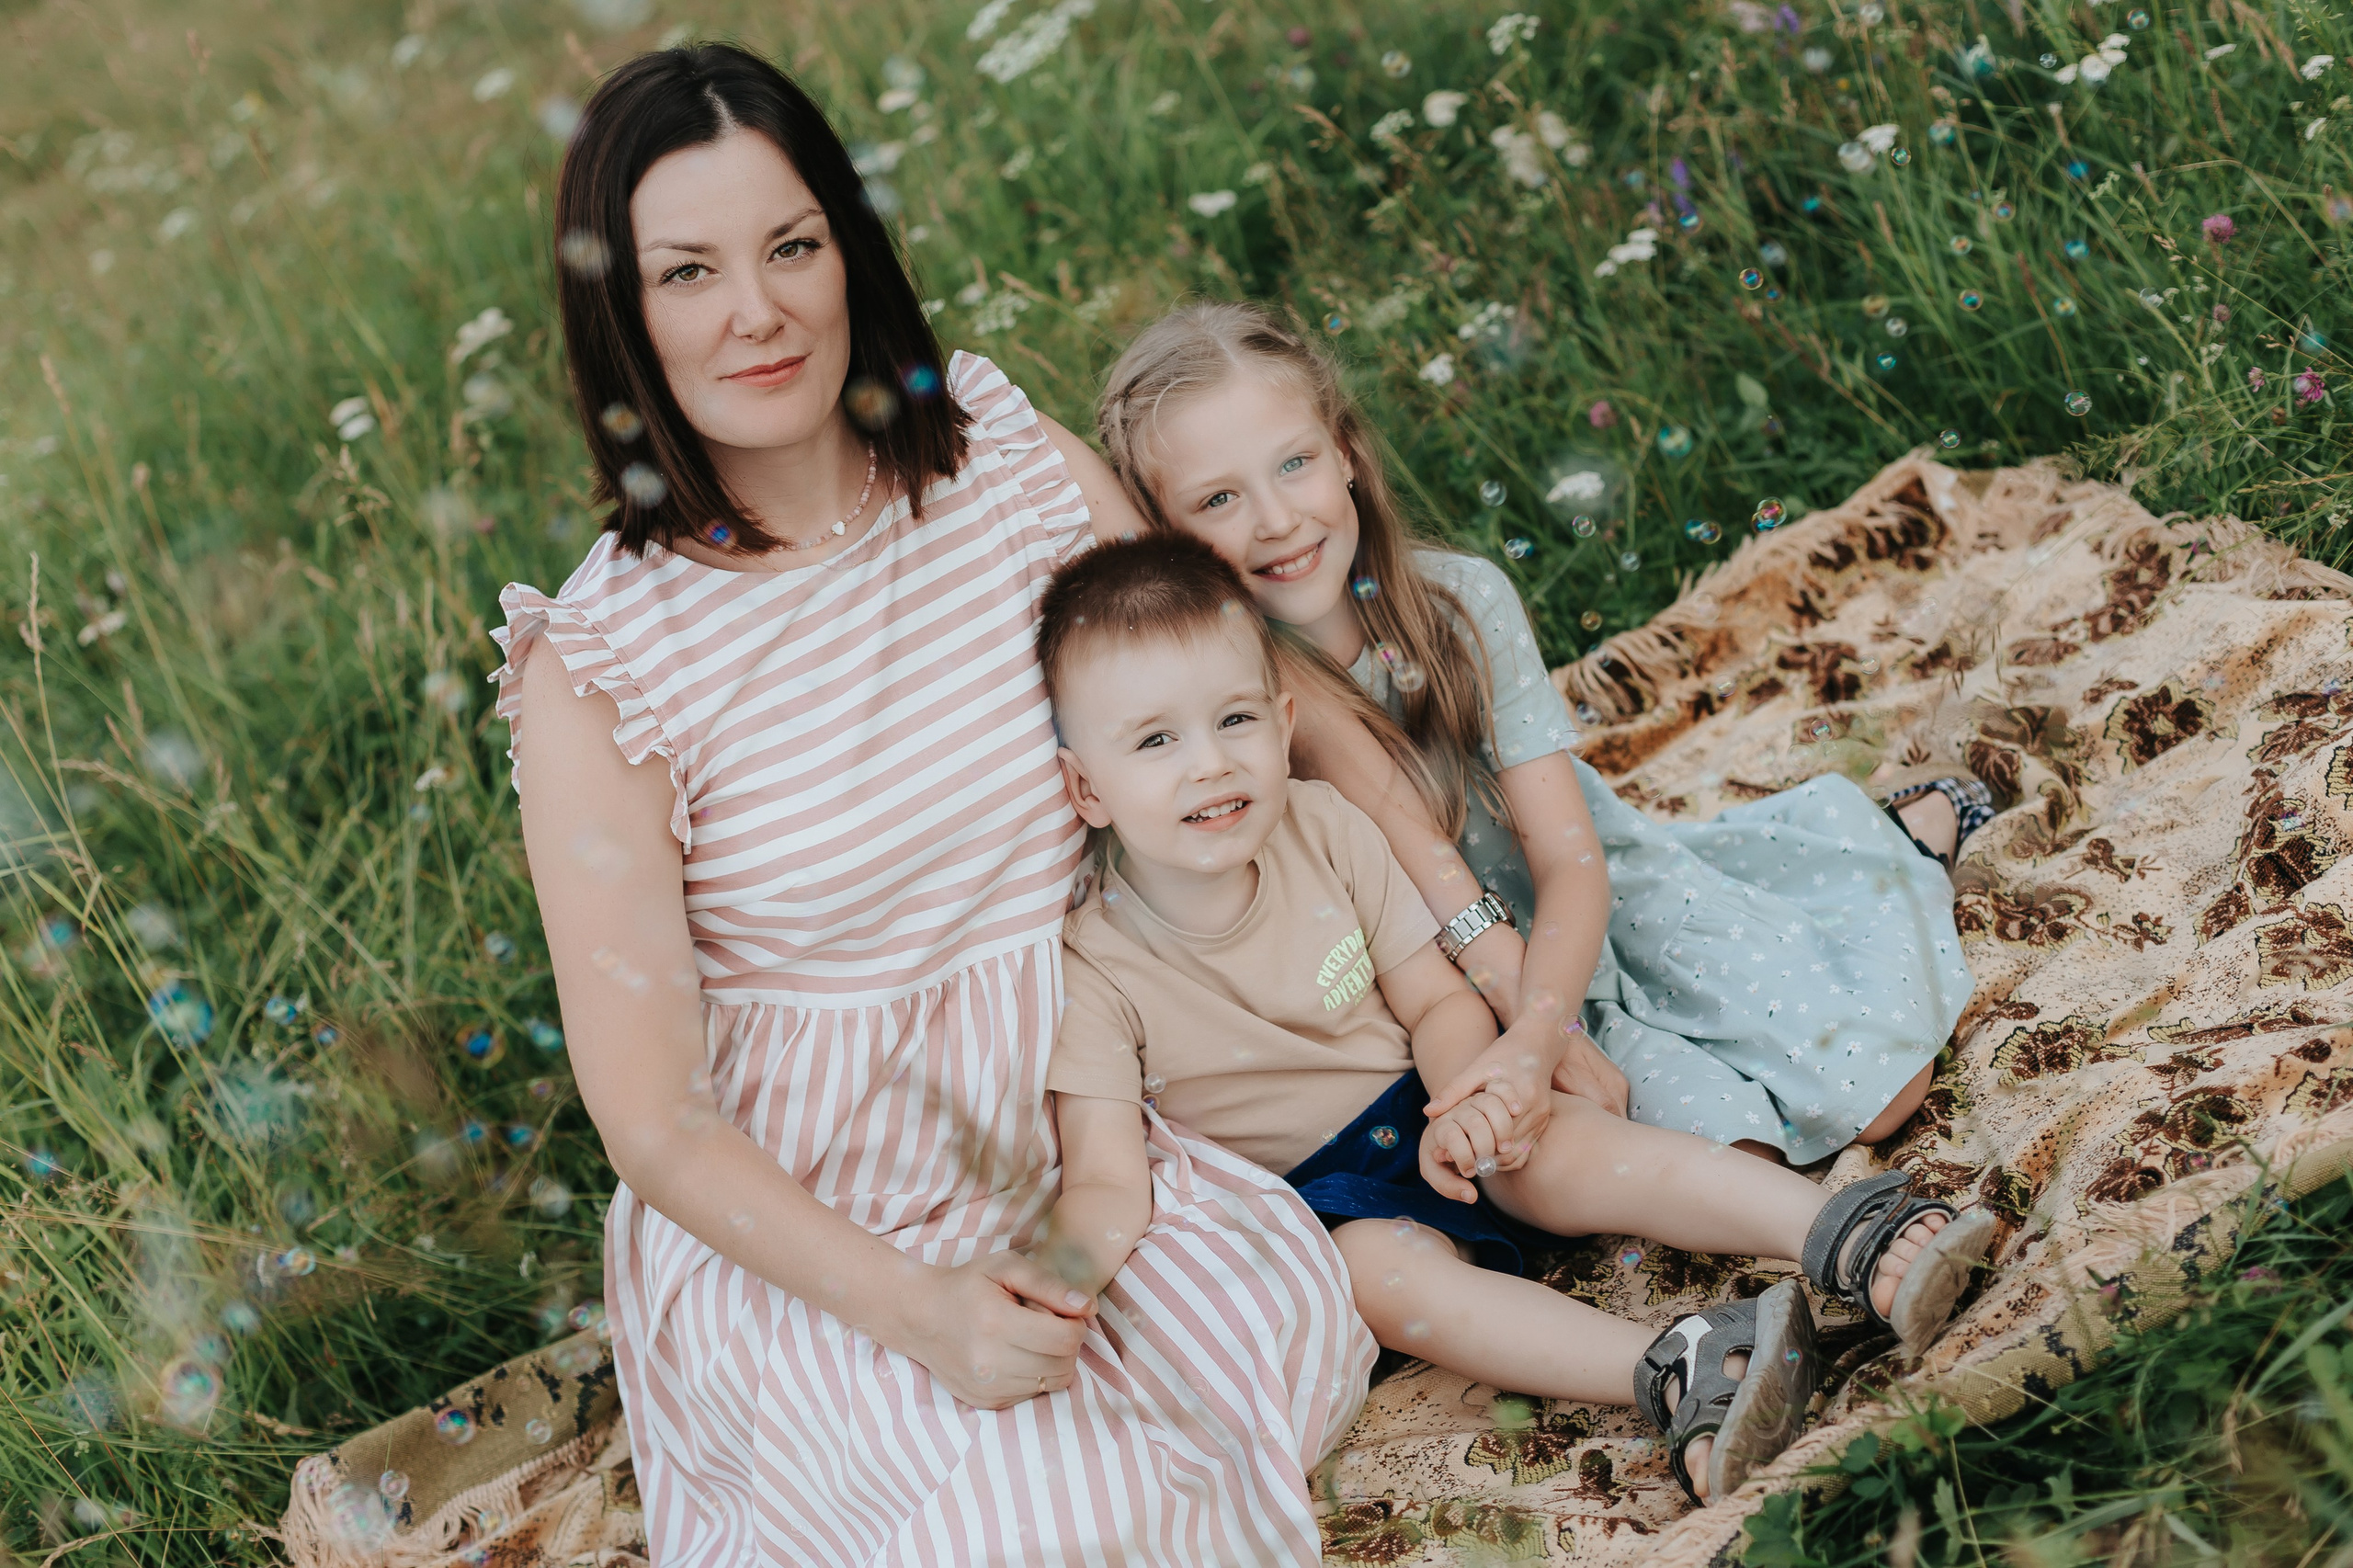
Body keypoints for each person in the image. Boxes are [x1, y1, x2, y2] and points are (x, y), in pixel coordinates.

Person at [493, 49, 1371, 1566]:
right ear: (621, 314)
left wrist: (1481, 935)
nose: (755, 312)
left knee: (1286, 1326)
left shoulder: (1005, 470)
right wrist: (925, 1315)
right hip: (827, 1222)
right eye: (687, 272)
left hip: (1092, 1117)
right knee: (1043, 1516)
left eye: (790, 246)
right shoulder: (608, 670)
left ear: (851, 247)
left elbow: (1255, 704)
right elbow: (653, 1116)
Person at [1032, 533, 1998, 1503]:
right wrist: (1061, 1275)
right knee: (1379, 1279)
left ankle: (1842, 1230)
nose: (1209, 763)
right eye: (1156, 740)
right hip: (1324, 1191)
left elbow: (1435, 996)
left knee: (1556, 1143)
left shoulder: (1324, 827)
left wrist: (1470, 1092)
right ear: (1083, 787)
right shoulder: (1092, 964)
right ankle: (1680, 1361)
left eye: (1234, 719)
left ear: (1285, 724)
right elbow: (1108, 1172)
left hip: (1432, 1090)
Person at [1094, 301, 1995, 1172]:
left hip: (1587, 909)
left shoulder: (1460, 606)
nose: (1276, 520)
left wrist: (1540, 1031)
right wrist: (1521, 1041)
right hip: (1438, 991)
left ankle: (1907, 835)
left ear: (1347, 455)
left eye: (1293, 464)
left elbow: (1570, 863)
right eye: (1217, 498)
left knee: (1879, 1088)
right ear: (1162, 535)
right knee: (1729, 1149)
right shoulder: (1227, 709)